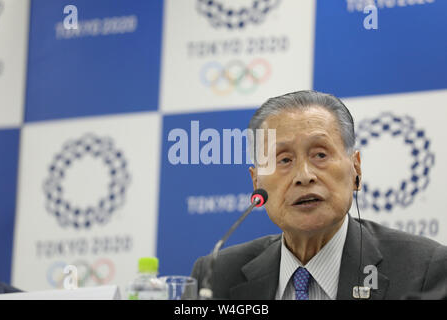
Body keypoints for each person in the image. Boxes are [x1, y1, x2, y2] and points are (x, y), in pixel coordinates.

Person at [191, 90, 447, 300]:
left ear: (355, 168)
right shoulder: (216, 276)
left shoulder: (423, 269)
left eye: (320, 155)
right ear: (256, 181)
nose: (304, 175)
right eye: (284, 159)